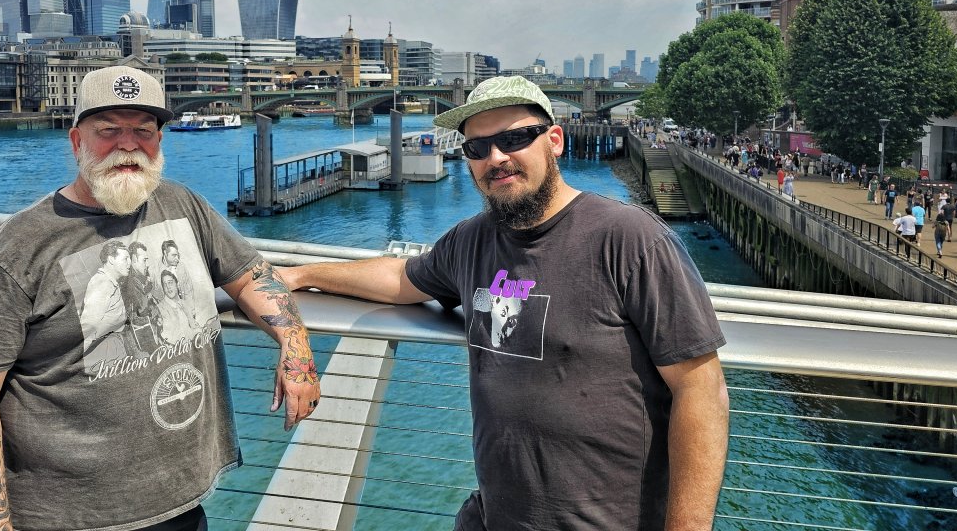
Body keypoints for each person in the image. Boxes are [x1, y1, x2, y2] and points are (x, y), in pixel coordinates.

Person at [277, 76, 729, 531]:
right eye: (477, 148)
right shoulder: (470, 240)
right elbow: (400, 278)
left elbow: (702, 391)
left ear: (554, 140)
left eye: (513, 139)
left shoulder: (632, 240)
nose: (495, 158)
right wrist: (300, 276)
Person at [0, 66, 321, 531]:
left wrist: (295, 346)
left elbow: (250, 276)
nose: (128, 145)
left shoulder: (184, 205)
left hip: (181, 501)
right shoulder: (14, 251)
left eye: (143, 131)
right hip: (69, 518)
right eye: (109, 131)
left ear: (159, 141)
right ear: (77, 141)